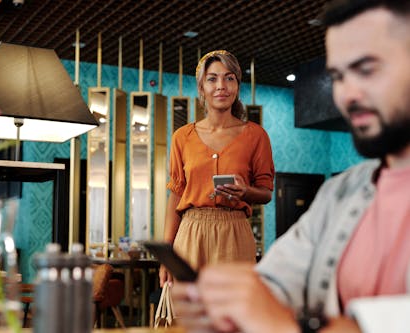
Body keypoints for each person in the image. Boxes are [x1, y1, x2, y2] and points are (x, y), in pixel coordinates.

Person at [172, 0, 410, 332]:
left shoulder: (255, 135)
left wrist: (283, 323)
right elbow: (273, 281)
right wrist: (224, 302)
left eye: (367, 69)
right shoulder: (339, 193)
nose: (347, 94)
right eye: (338, 76)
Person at [160, 50, 275, 287]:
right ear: (201, 88)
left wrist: (247, 192)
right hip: (190, 234)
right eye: (212, 79)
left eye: (229, 78)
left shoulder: (256, 136)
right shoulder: (182, 137)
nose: (221, 85)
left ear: (237, 86)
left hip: (235, 233)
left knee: (234, 315)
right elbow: (176, 195)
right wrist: (166, 257)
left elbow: (266, 192)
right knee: (188, 317)